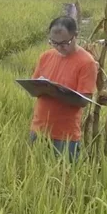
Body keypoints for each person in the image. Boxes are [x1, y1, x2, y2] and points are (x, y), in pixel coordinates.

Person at [29, 16, 98, 159]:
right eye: (54, 42)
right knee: (32, 174)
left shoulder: (86, 62)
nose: (59, 47)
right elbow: (34, 87)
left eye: (64, 43)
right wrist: (38, 89)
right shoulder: (45, 57)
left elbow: (83, 101)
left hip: (65, 136)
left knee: (63, 178)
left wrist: (53, 92)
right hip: (38, 128)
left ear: (75, 36)